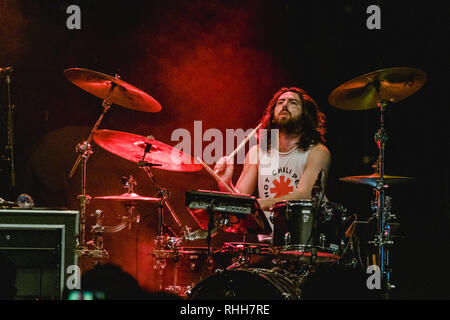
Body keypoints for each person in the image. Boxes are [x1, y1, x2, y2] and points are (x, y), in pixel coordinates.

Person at [214, 87, 330, 240]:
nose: (285, 105)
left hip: (303, 243)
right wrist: (224, 182)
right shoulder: (258, 152)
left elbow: (305, 195)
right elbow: (241, 201)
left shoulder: (317, 151)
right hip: (267, 243)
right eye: (280, 102)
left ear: (305, 115)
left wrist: (260, 204)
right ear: (273, 116)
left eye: (293, 102)